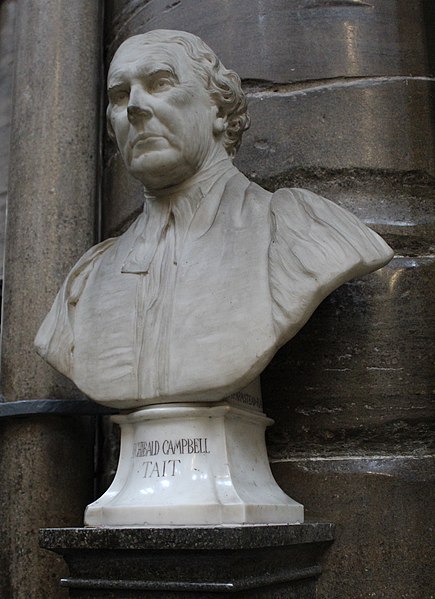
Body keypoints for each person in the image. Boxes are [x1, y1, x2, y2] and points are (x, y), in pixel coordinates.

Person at [35, 30, 393, 409]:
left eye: (160, 83)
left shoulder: (298, 230)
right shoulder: (87, 279)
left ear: (219, 111)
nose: (134, 108)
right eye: (120, 95)